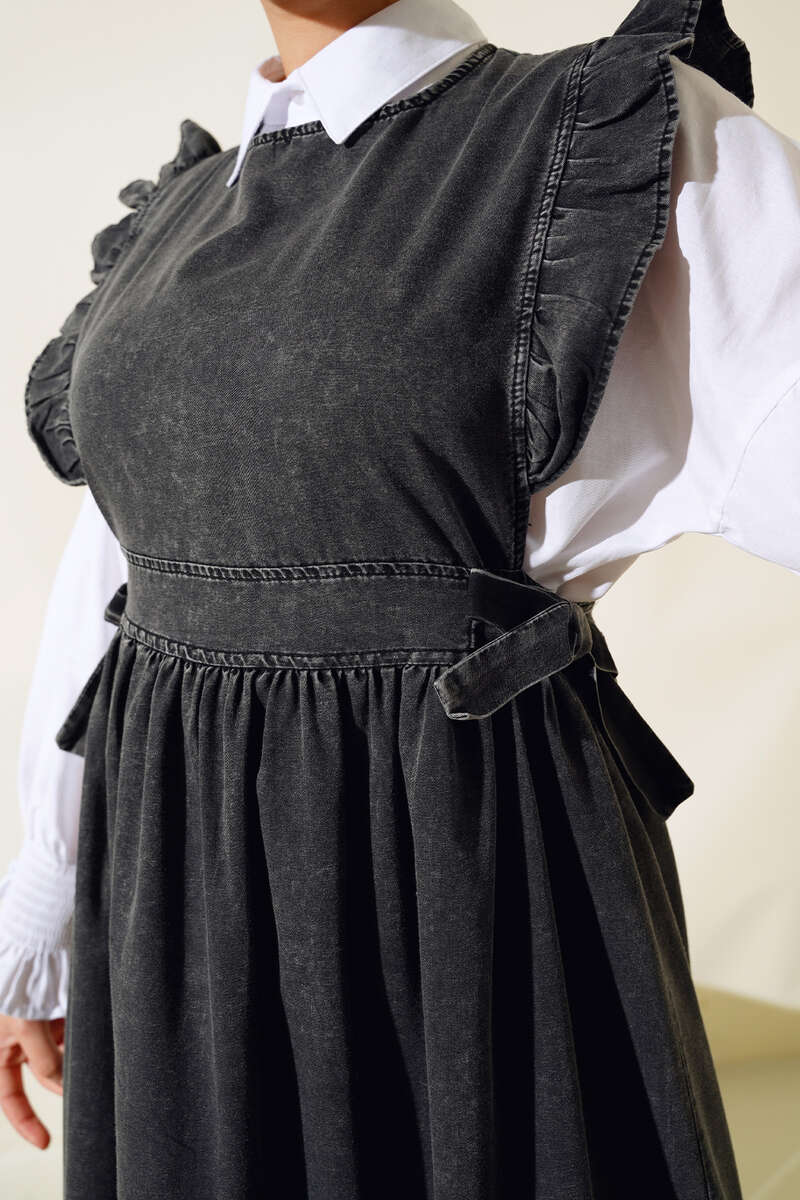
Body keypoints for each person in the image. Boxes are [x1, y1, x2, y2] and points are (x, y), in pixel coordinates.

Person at [0, 0, 797, 1195]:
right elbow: (116, 566)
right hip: (172, 886)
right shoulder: (181, 211)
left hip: (448, 864)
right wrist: (42, 906)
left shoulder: (598, 138)